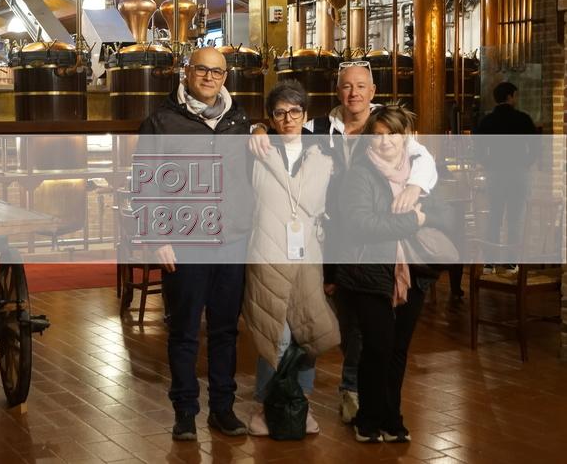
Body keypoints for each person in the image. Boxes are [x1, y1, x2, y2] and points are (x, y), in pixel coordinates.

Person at [249, 61, 438, 424]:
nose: (354, 93)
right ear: (337, 91)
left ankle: (351, 390)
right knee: (323, 319)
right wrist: (257, 128)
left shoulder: (384, 125)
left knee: (361, 323)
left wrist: (415, 186)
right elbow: (280, 127)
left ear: (373, 91)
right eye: (347, 86)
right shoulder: (319, 127)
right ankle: (283, 401)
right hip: (330, 237)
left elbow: (422, 157)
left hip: (372, 235)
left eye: (361, 86)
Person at [139, 46, 251, 440]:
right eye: (201, 69)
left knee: (225, 331)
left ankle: (223, 408)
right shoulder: (161, 121)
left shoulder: (239, 120)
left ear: (225, 77)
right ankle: (185, 412)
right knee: (184, 331)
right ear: (187, 72)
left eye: (216, 72)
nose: (208, 77)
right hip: (185, 241)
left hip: (232, 240)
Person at [335, 105, 453, 443]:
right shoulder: (359, 174)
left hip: (413, 273)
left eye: (393, 134)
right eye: (378, 135)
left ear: (406, 137)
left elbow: (446, 215)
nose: (385, 142)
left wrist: (422, 210)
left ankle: (392, 418)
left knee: (398, 348)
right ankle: (368, 419)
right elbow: (362, 225)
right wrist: (414, 220)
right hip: (369, 272)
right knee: (378, 347)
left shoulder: (420, 176)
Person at [242, 80, 340, 437]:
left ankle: (302, 403)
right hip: (266, 252)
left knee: (307, 331)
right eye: (280, 113)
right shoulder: (257, 150)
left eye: (295, 111)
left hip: (308, 254)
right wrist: (255, 129)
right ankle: (264, 408)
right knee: (275, 334)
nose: (288, 119)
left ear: (305, 114)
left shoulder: (324, 154)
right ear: (271, 117)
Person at [473, 82, 538, 261]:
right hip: (518, 175)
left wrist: (489, 164)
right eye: (515, 95)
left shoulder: (487, 121)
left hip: (496, 175)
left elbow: (477, 150)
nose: (516, 98)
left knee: (494, 218)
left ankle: (490, 261)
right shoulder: (523, 119)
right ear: (510, 96)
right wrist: (525, 163)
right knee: (515, 220)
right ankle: (511, 262)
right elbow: (535, 147)